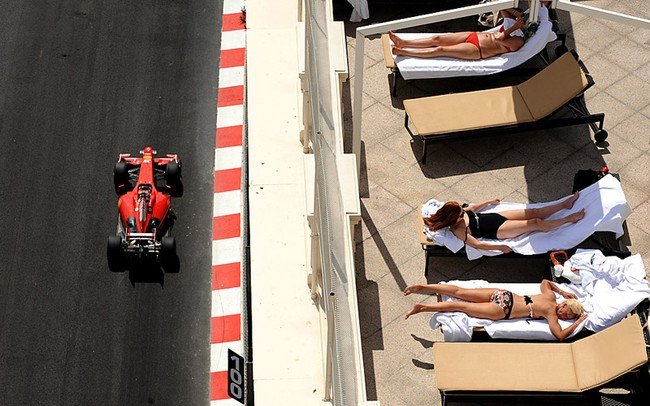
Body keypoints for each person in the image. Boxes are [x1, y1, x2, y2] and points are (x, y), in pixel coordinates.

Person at [404, 279, 588, 341]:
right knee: (461, 306)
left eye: (569, 317)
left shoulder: (550, 297)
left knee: (461, 292)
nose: (564, 316)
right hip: (503, 309)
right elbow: (560, 336)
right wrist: (578, 323)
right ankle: (423, 308)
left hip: (504, 295)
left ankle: (424, 287)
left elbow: (545, 282)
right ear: (563, 305)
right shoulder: (550, 312)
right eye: (567, 313)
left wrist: (562, 291)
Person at [423, 192, 585, 253]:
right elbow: (478, 245)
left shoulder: (458, 210)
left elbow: (472, 207)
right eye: (460, 213)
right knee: (535, 222)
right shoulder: (458, 230)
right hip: (498, 230)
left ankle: (564, 204)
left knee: (533, 211)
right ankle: (569, 219)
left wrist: (488, 201)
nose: (462, 211)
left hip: (496, 217)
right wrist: (500, 247)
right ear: (453, 219)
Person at [389, 7, 530, 60]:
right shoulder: (512, 25)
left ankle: (404, 52)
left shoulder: (519, 41)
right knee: (436, 38)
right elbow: (500, 5)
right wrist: (515, 13)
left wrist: (514, 27)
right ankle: (403, 42)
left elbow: (499, 38)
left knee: (440, 49)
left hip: (478, 50)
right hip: (474, 36)